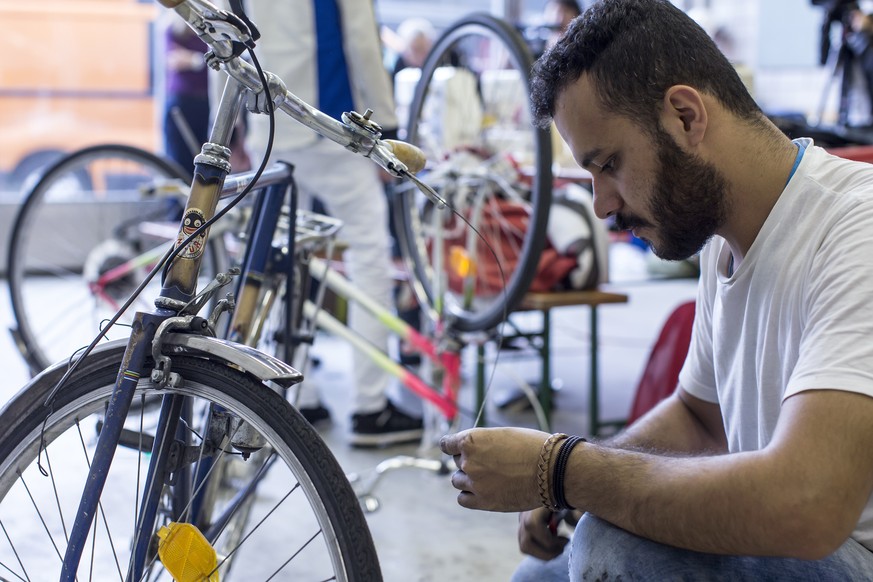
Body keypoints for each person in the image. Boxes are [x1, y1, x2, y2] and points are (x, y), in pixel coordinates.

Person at [439, 0, 873, 579]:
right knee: (537, 576)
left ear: (686, 117)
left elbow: (808, 506)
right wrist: (573, 477)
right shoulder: (726, 240)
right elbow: (699, 419)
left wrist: (562, 469)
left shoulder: (856, 230)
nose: (601, 206)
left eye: (610, 164)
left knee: (616, 550)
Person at [242, 0, 423, 447]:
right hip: (329, 120)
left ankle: (298, 395)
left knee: (281, 258)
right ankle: (370, 406)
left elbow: (226, 35)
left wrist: (231, 128)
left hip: (268, 122)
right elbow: (361, 38)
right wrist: (390, 126)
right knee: (369, 255)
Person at [162, 17, 211, 173]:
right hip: (182, 104)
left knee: (205, 161)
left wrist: (193, 59)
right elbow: (175, 60)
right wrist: (203, 61)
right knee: (179, 164)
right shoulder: (174, 29)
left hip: (207, 104)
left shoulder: (212, 31)